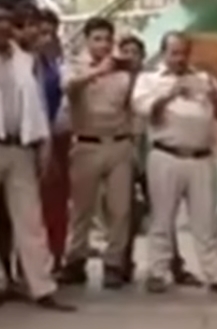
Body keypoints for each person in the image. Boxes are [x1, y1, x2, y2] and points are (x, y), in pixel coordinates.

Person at [131, 31, 217, 294]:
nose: (179, 59)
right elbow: (146, 112)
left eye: (184, 53)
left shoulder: (203, 78)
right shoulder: (149, 80)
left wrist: (213, 95)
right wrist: (170, 93)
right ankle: (157, 272)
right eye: (174, 53)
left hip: (201, 157)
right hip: (166, 154)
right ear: (164, 53)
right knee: (162, 218)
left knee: (205, 221)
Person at [0, 0, 72, 310]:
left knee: (30, 219)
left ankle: (41, 287)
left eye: (7, 22)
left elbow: (37, 105)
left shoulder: (24, 61)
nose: (3, 27)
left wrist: (43, 144)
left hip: (21, 147)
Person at [58, 16, 134, 289]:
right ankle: (75, 260)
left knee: (120, 209)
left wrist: (125, 69)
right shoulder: (74, 67)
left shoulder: (123, 71)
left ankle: (114, 263)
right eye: (97, 39)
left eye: (107, 39)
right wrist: (97, 72)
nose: (103, 45)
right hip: (86, 144)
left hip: (118, 143)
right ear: (87, 41)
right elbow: (67, 87)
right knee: (81, 209)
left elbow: (131, 104)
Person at [118, 34, 198, 286]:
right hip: (124, 146)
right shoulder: (115, 80)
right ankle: (122, 262)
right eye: (126, 51)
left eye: (135, 51)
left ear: (144, 56)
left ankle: (173, 264)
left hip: (152, 146)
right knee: (125, 210)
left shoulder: (152, 81)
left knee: (163, 210)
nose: (130, 56)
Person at [34, 7, 67, 274]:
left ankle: (54, 257)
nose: (46, 38)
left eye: (51, 33)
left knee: (54, 204)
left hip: (57, 139)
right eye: (41, 32)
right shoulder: (23, 64)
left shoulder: (56, 65)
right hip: (30, 140)